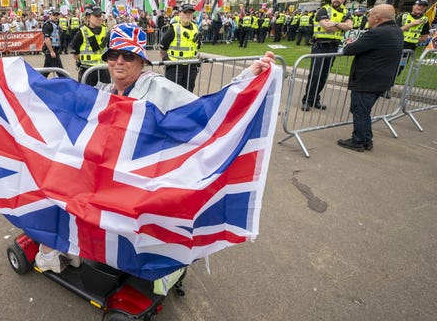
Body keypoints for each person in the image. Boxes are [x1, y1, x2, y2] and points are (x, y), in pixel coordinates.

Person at [34, 22, 276, 272]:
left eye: (127, 56)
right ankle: (63, 246)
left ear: (141, 61)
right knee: (57, 181)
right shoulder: (104, 89)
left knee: (65, 189)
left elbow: (206, 113)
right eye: (113, 55)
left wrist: (247, 78)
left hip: (139, 184)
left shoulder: (159, 88)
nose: (119, 61)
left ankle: (52, 250)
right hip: (111, 176)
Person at [337, 4, 403, 152]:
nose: (368, 18)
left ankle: (358, 141)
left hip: (368, 80)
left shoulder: (377, 33)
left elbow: (350, 49)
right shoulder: (396, 31)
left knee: (359, 110)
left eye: (370, 15)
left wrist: (349, 45)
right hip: (382, 79)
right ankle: (366, 140)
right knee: (364, 111)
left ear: (377, 17)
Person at [301, 0, 353, 111]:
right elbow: (326, 26)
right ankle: (307, 100)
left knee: (324, 76)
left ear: (344, 0)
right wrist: (340, 25)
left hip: (333, 46)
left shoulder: (346, 12)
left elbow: (350, 26)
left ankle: (315, 99)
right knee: (315, 74)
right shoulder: (324, 10)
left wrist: (334, 23)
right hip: (320, 45)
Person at [160, 3, 201, 93]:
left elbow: (196, 47)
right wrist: (166, 61)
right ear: (180, 14)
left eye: (190, 12)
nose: (188, 15)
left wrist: (197, 57)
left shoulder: (196, 28)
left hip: (191, 67)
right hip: (175, 68)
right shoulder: (173, 28)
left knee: (188, 94)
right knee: (173, 94)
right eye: (185, 12)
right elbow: (163, 47)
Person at [70, 5, 110, 86]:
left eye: (100, 15)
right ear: (88, 17)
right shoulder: (81, 33)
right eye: (96, 16)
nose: (99, 18)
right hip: (87, 72)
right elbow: (75, 55)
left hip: (103, 71)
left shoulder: (107, 31)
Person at [396, 0, 430, 77]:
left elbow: (424, 37)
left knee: (400, 68)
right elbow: (396, 31)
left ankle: (390, 85)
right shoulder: (403, 16)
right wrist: (411, 24)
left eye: (424, 6)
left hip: (409, 49)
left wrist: (413, 41)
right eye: (419, 5)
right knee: (389, 65)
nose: (421, 7)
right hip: (397, 45)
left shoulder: (425, 20)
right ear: (413, 6)